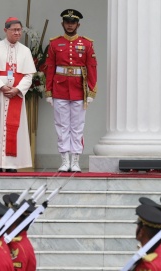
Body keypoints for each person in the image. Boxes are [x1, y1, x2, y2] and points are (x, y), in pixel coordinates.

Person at [44, 9, 97, 173]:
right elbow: (50, 68)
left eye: (72, 22)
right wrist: (49, 91)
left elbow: (92, 68)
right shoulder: (54, 43)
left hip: (79, 90)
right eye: (67, 22)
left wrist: (91, 90)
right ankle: (64, 160)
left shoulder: (87, 44)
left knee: (77, 127)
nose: (70, 25)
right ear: (62, 24)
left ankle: (75, 160)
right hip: (60, 89)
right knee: (61, 126)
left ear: (78, 24)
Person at [0, 17, 35, 173]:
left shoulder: (25, 50)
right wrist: (3, 87)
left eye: (19, 30)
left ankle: (12, 164)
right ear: (6, 30)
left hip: (16, 96)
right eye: (14, 30)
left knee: (15, 129)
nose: (17, 33)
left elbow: (28, 76)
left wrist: (17, 90)